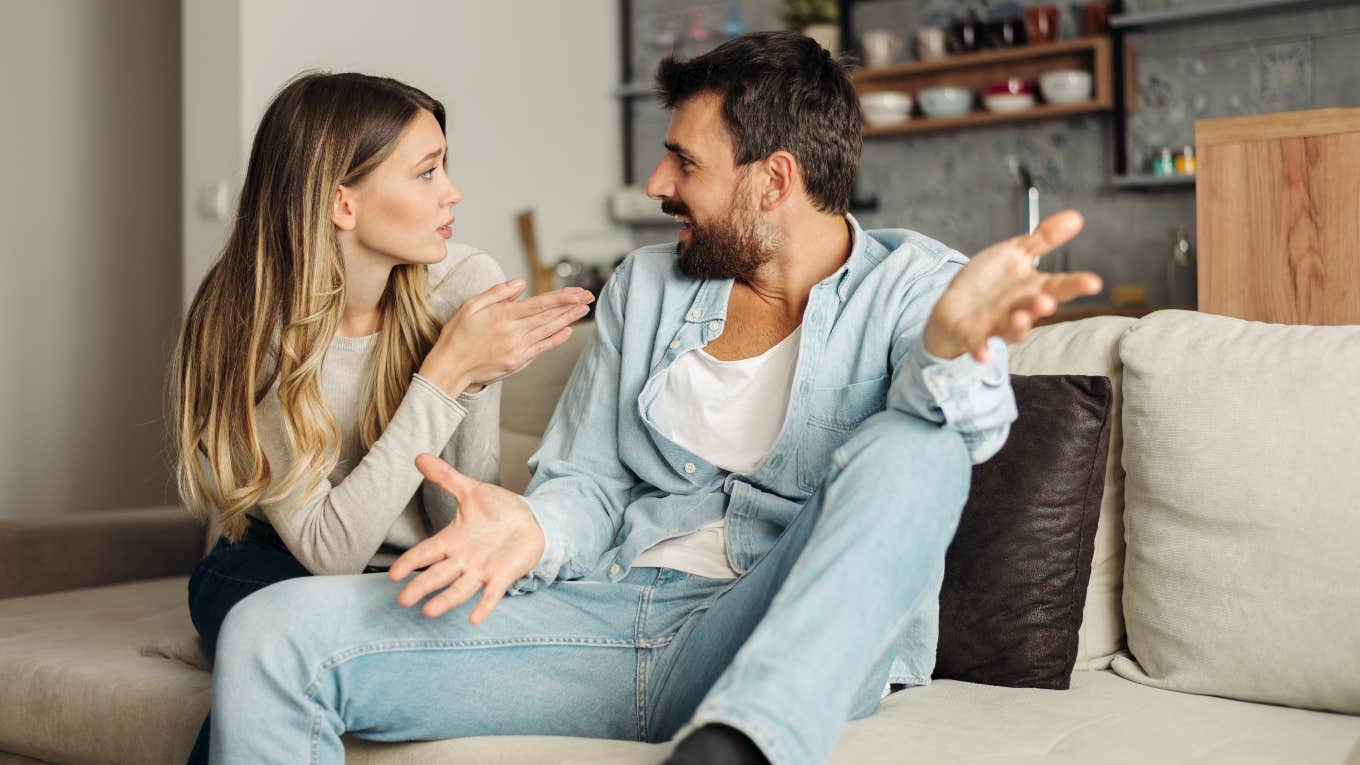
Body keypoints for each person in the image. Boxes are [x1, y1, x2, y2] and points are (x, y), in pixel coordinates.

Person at [208, 33, 1102, 765]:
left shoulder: (917, 289)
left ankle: (740, 744)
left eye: (683, 161)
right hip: (598, 616)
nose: (657, 186)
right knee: (268, 631)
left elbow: (965, 437)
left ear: (774, 180)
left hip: (762, 629)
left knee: (920, 440)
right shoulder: (648, 285)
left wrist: (950, 352)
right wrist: (533, 529)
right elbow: (587, 484)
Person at [167, 71, 593, 764]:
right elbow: (329, 555)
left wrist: (471, 383)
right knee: (280, 644)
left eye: (444, 166)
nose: (452, 191)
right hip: (270, 566)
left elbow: (460, 512)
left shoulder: (465, 284)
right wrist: (445, 375)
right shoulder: (253, 323)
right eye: (427, 172)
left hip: (412, 565)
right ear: (343, 203)